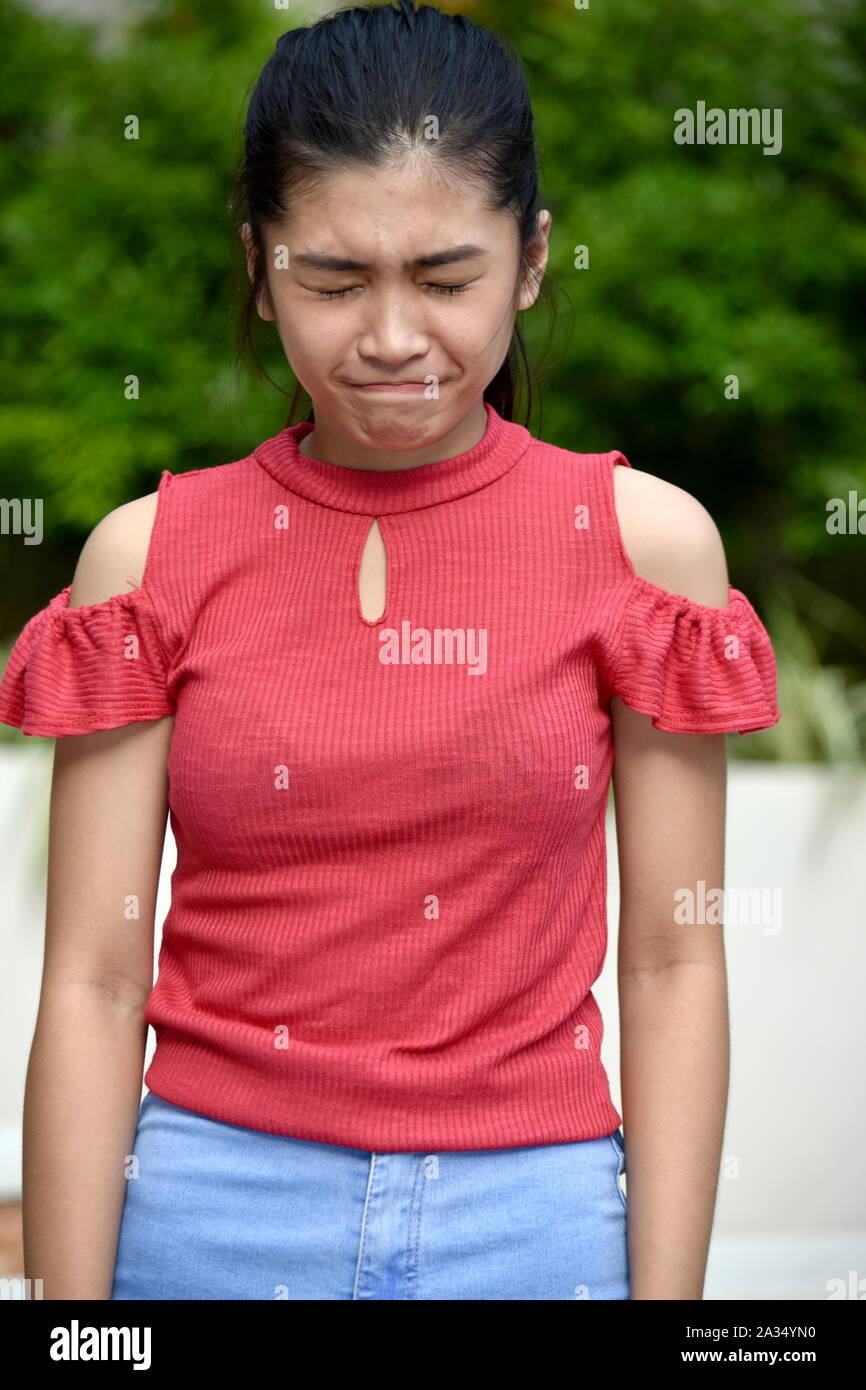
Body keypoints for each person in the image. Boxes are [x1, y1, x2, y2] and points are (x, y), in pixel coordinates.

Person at [0, 1, 779, 1301]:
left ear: (530, 260)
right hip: (207, 1214)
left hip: (536, 1221)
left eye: (446, 276)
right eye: (334, 278)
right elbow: (89, 975)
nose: (393, 337)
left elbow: (673, 954)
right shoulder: (147, 559)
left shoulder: (643, 546)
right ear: (257, 265)